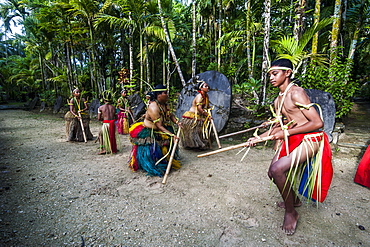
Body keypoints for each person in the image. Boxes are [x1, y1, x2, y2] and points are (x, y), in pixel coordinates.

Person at [247, 59, 333, 235]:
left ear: (287, 73)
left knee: (277, 169)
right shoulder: (278, 100)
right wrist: (258, 138)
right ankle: (294, 201)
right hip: (293, 136)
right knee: (272, 173)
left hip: (311, 138)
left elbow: (318, 123)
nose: (271, 77)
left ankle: (291, 213)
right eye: (270, 74)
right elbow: (283, 125)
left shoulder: (296, 93)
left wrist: (284, 134)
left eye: (275, 73)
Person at [128, 85, 181, 177]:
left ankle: (165, 159)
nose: (167, 95)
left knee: (165, 144)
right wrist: (172, 135)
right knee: (153, 148)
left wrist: (177, 122)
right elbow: (159, 125)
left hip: (161, 127)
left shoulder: (165, 104)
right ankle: (153, 163)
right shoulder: (154, 107)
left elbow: (170, 114)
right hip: (151, 129)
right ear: (158, 95)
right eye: (165, 93)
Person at [181, 80, 213, 150]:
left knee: (201, 130)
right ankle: (193, 144)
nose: (208, 87)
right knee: (194, 131)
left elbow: (207, 106)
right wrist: (207, 115)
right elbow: (199, 108)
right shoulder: (199, 96)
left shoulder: (206, 96)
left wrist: (209, 110)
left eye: (207, 86)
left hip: (200, 116)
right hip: (192, 116)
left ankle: (202, 144)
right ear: (201, 88)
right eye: (206, 86)